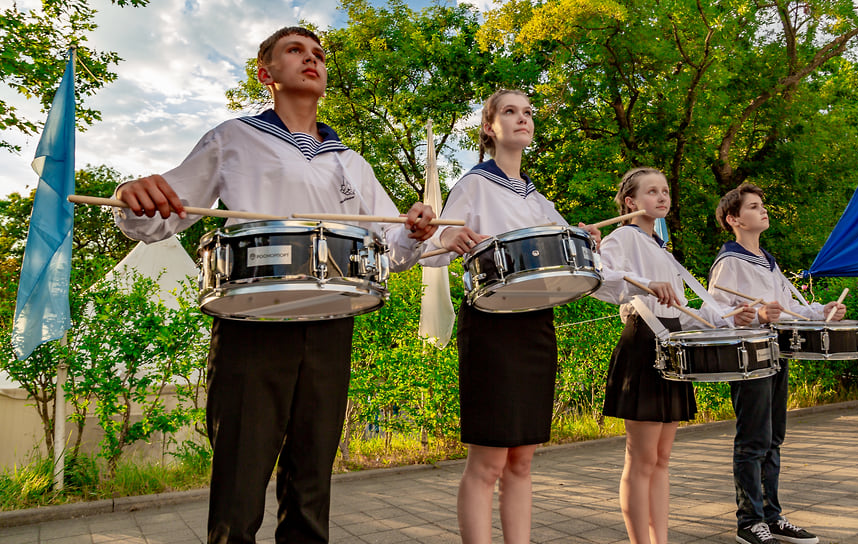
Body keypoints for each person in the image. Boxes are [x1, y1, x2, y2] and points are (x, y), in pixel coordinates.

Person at [112, 27, 437, 544]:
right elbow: (156, 221)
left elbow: (393, 250)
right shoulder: (233, 138)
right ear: (266, 74)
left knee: (311, 492)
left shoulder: (349, 160)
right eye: (296, 51)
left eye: (318, 55)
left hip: (332, 322)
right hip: (251, 322)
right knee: (239, 493)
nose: (311, 60)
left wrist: (416, 228)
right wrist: (133, 194)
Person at [422, 89, 598, 543]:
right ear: (489, 127)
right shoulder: (473, 184)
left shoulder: (537, 199)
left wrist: (585, 236)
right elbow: (429, 250)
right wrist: (447, 240)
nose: (522, 119)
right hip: (490, 326)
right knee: (488, 462)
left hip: (536, 325)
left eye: (527, 113)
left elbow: (566, 253)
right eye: (509, 112)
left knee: (522, 459)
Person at [592, 167, 756, 544]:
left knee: (662, 459)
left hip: (672, 343)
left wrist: (732, 317)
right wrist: (644, 283)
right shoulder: (622, 237)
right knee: (641, 458)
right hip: (643, 343)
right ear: (630, 202)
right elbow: (600, 279)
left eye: (665, 190)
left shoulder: (660, 247)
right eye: (652, 192)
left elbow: (684, 311)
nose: (662, 197)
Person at [708, 182, 846, 544]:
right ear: (733, 219)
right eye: (753, 206)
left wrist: (822, 310)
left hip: (776, 354)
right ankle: (748, 520)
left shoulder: (768, 261)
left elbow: (789, 309)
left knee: (773, 438)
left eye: (761, 205)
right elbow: (717, 313)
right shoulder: (729, 262)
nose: (763, 210)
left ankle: (772, 515)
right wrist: (755, 314)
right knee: (753, 440)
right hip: (749, 358)